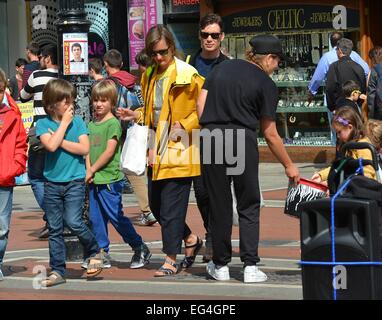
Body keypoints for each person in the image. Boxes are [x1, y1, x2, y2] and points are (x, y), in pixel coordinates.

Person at [197, 35, 300, 283]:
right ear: (268, 58)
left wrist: (211, 126)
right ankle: (250, 266)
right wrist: (288, 164)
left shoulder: (220, 69)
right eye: (277, 62)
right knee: (248, 202)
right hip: (241, 138)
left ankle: (220, 265)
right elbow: (270, 133)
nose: (276, 68)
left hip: (211, 135)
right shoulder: (265, 83)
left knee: (219, 202)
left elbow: (200, 103)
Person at [117, 25, 204, 277]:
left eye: (163, 52)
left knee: (171, 207)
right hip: (156, 147)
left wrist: (185, 125)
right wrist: (134, 114)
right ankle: (190, 239)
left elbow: (204, 110)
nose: (158, 57)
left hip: (181, 148)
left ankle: (170, 258)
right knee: (156, 205)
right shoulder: (149, 75)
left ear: (172, 48)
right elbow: (151, 112)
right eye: (153, 53)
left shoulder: (189, 74)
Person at [36, 79, 103, 286]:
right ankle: (57, 270)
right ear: (51, 104)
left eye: (71, 101)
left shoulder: (79, 123)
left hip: (74, 180)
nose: (70, 105)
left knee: (73, 221)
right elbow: (51, 147)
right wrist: (63, 124)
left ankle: (94, 250)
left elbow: (84, 149)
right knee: (55, 227)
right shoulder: (43, 124)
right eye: (65, 102)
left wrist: (62, 135)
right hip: (52, 183)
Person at [86, 80, 151, 269]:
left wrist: (92, 169)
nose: (99, 104)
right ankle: (101, 251)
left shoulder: (113, 124)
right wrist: (88, 168)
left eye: (104, 100)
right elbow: (87, 149)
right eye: (96, 100)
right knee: (96, 218)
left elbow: (109, 151)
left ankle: (139, 246)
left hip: (109, 180)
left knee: (116, 217)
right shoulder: (91, 124)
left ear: (112, 103)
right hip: (94, 179)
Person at [189, 13, 229, 263]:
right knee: (201, 191)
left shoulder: (228, 64)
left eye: (214, 35)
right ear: (200, 36)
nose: (210, 39)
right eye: (205, 35)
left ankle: (215, 238)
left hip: (220, 135)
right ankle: (209, 231)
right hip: (191, 135)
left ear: (222, 37)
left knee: (218, 190)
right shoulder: (189, 61)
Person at [104, 49, 157, 226]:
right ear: (120, 64)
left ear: (106, 64)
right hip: (136, 128)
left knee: (121, 169)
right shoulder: (134, 81)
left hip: (116, 129)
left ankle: (147, 210)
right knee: (134, 170)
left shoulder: (109, 83)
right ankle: (148, 210)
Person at [20, 44, 59, 239]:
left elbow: (23, 96)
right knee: (54, 175)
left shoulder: (36, 76)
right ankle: (55, 214)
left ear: (47, 58)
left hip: (39, 131)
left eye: (42, 57)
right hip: (60, 131)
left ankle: (53, 214)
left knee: (35, 176)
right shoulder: (62, 77)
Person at [0, 69, 28, 281]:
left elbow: (21, 142)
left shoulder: (12, 112)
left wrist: (16, 165)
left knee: (2, 226)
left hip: (4, 176)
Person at [312, 106, 376, 183]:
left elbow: (367, 175)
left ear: (350, 127)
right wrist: (321, 175)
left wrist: (339, 186)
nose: (338, 136)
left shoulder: (363, 147)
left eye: (339, 132)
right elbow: (339, 167)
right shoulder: (349, 147)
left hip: (363, 191)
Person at [308, 32, 369, 99]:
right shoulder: (353, 54)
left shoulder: (326, 57)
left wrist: (311, 92)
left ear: (331, 43)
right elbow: (366, 71)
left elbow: (317, 79)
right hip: (353, 96)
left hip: (336, 98)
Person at [326, 38, 367, 113]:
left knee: (341, 124)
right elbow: (363, 88)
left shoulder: (334, 67)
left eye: (336, 50)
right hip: (355, 107)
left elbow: (330, 88)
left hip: (340, 107)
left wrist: (332, 107)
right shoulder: (358, 67)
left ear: (340, 51)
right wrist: (359, 102)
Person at [367, 46, 382, 120]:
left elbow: (371, 95)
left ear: (373, 59)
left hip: (380, 110)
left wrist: (371, 117)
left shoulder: (374, 71)